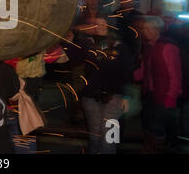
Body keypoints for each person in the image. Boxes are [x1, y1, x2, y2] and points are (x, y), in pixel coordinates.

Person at [77, 19, 132, 154]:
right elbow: (75, 62)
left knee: (110, 136)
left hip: (114, 96)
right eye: (95, 23)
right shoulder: (87, 44)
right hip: (91, 96)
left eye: (103, 23)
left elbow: (127, 72)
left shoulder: (121, 47)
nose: (99, 26)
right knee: (95, 134)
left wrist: (127, 96)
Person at [134, 16, 182, 153]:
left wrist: (171, 96)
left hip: (164, 96)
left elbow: (175, 75)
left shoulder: (167, 47)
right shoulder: (149, 46)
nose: (145, 31)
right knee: (150, 128)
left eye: (149, 28)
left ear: (157, 30)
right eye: (144, 28)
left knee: (161, 132)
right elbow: (144, 70)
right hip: (151, 94)